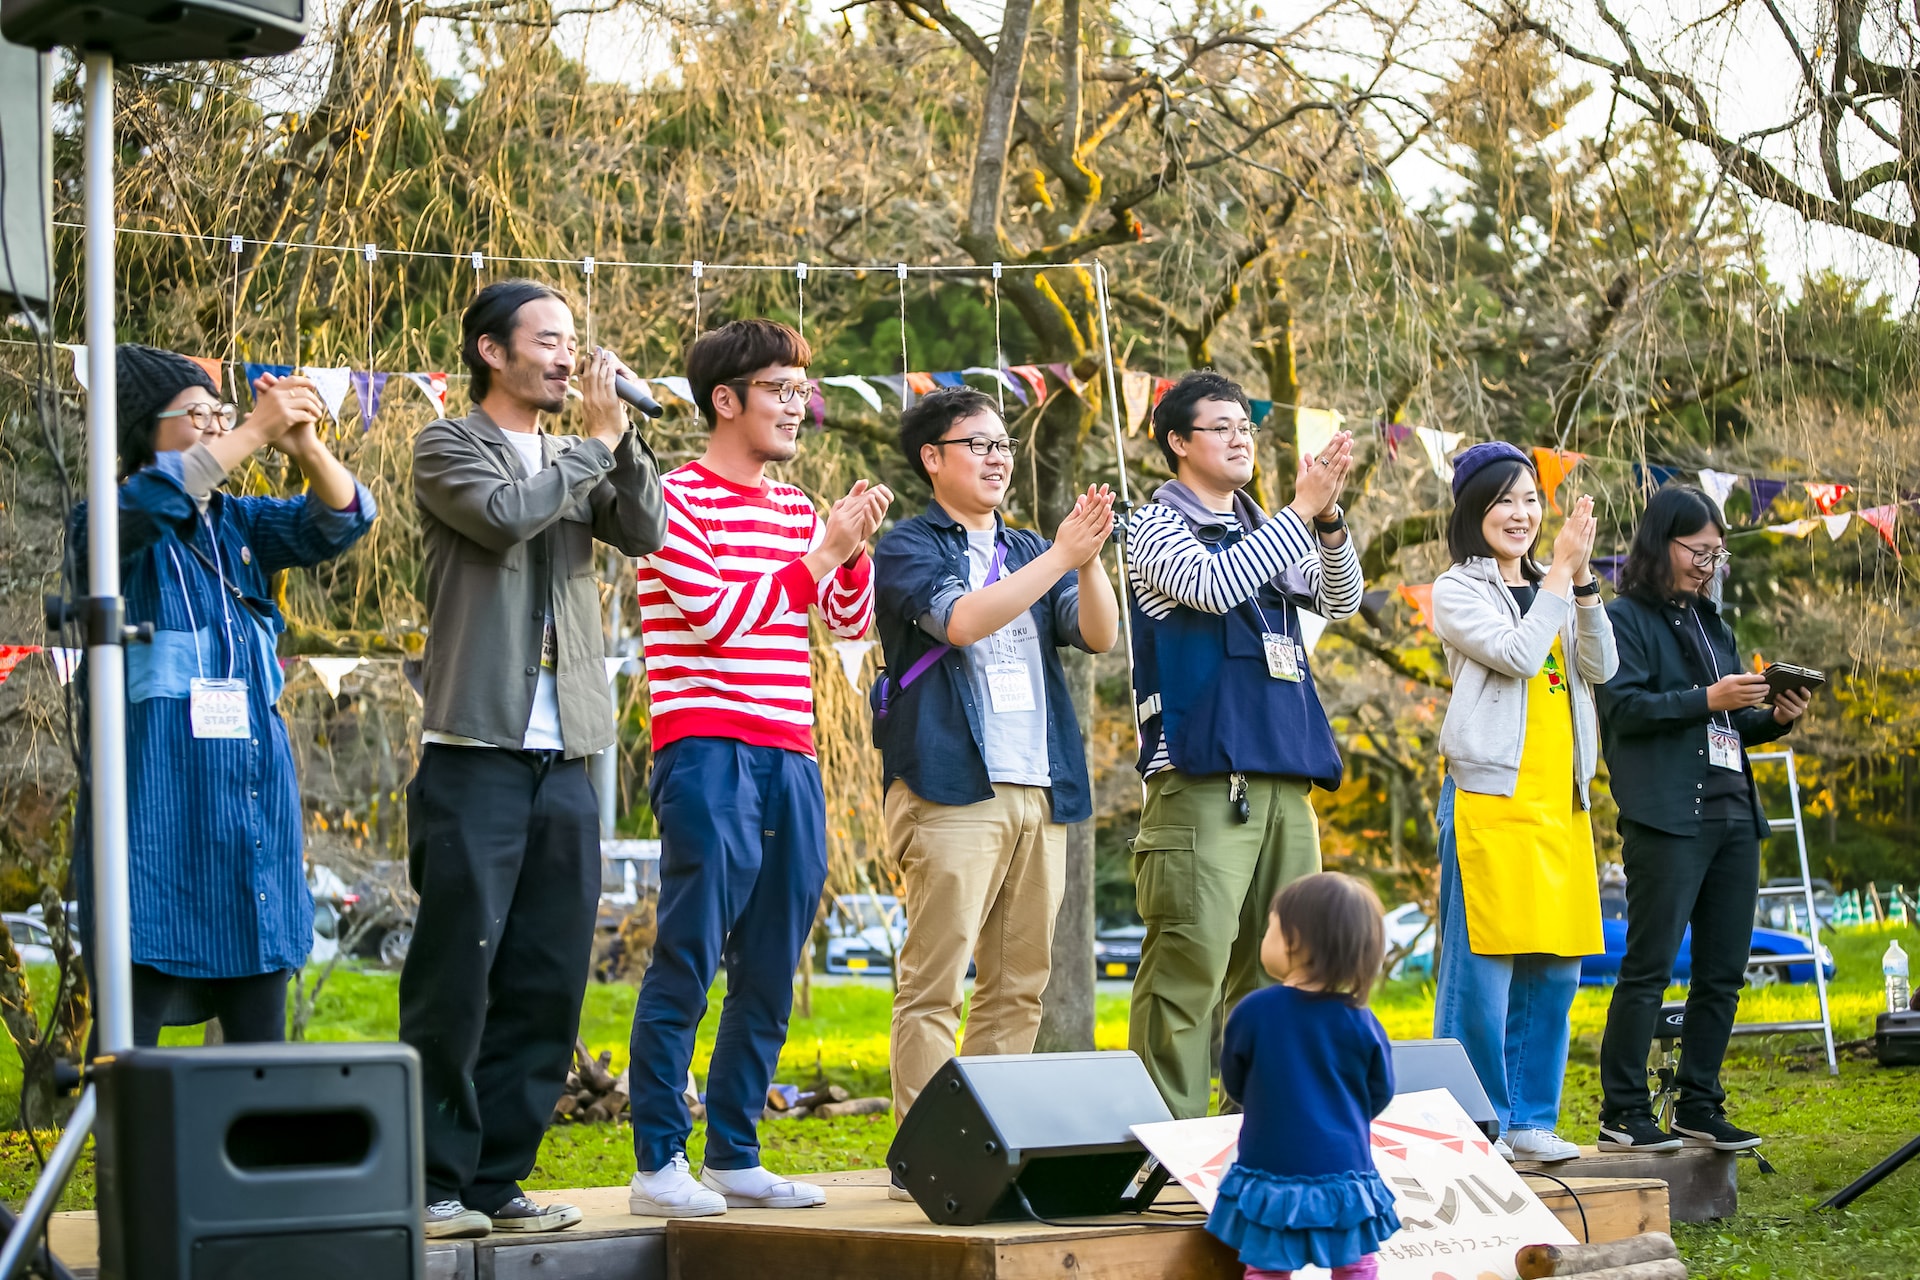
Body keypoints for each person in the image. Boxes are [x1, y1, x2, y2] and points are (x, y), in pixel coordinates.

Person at [401, 279, 666, 1241]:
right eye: (548, 341)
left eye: (572, 341)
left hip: (571, 753)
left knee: (549, 975)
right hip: (476, 747)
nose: (567, 356)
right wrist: (592, 448)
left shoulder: (577, 449)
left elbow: (643, 533)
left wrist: (618, 440)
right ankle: (427, 1181)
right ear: (491, 352)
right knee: (457, 974)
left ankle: (495, 1181)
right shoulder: (446, 445)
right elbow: (506, 517)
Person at [626, 319, 891, 1218]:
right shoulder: (672, 497)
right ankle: (658, 1162)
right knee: (692, 952)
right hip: (704, 749)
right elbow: (716, 619)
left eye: (800, 391)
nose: (797, 407)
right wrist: (822, 555)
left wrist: (847, 552)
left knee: (773, 961)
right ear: (726, 400)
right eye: (779, 389)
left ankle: (736, 1150)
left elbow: (847, 628)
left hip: (792, 752)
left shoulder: (797, 508)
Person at [73, 345, 375, 1048]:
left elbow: (346, 517)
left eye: (222, 412)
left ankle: (254, 1151)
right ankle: (130, 1158)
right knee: (131, 1027)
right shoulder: (111, 519)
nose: (217, 426)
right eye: (199, 414)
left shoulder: (239, 524)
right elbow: (136, 514)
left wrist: (301, 445)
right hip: (158, 812)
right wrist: (253, 432)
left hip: (250, 818)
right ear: (145, 428)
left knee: (257, 1024)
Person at [871, 387, 1120, 1149]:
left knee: (1019, 987)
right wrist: (1061, 556)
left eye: (1003, 444)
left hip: (1038, 788)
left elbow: (1099, 635)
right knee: (936, 983)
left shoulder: (1024, 551)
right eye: (977, 444)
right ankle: (926, 1151)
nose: (997, 457)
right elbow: (961, 621)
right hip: (950, 785)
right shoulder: (910, 545)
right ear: (933, 459)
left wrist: (1089, 560)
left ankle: (981, 1144)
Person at [1125, 370, 1363, 1119]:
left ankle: (1258, 1131)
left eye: (1246, 428)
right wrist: (1298, 511)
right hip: (1201, 779)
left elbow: (1341, 598)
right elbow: (1212, 585)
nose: (1240, 439)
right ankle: (1162, 1146)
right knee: (1189, 966)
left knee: (1291, 965)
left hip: (1285, 778)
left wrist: (1327, 524)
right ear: (1177, 442)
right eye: (1221, 427)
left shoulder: (1264, 529)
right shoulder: (1151, 526)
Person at [1594, 485, 1811, 1153]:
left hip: (1734, 817)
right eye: (1698, 550)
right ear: (1661, 545)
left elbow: (1724, 723)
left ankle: (1698, 1102)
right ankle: (1624, 1108)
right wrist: (1706, 696)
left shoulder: (1713, 623)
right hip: (1666, 816)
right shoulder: (1620, 619)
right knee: (1650, 965)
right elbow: (1624, 709)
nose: (1708, 563)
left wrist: (1770, 718)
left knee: (1723, 971)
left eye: (1717, 552)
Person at [1427, 442, 1617, 1164]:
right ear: (1474, 510)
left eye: (1531, 499)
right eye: (1505, 499)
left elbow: (1601, 667)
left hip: (1559, 798)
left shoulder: (1558, 585)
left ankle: (1533, 1119)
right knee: (1484, 974)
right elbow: (1515, 653)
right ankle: (1477, 1124)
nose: (1522, 513)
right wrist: (1559, 580)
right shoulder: (1457, 590)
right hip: (1488, 797)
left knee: (1556, 965)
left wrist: (1584, 587)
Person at [1206, 873, 1401, 1280]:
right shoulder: (1361, 1020)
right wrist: (1344, 1115)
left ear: (1295, 941)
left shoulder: (1254, 1011)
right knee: (1355, 1261)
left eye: (1271, 928)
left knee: (1268, 1265)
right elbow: (1380, 1091)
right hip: (1345, 1167)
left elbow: (1235, 1081)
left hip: (1271, 1165)